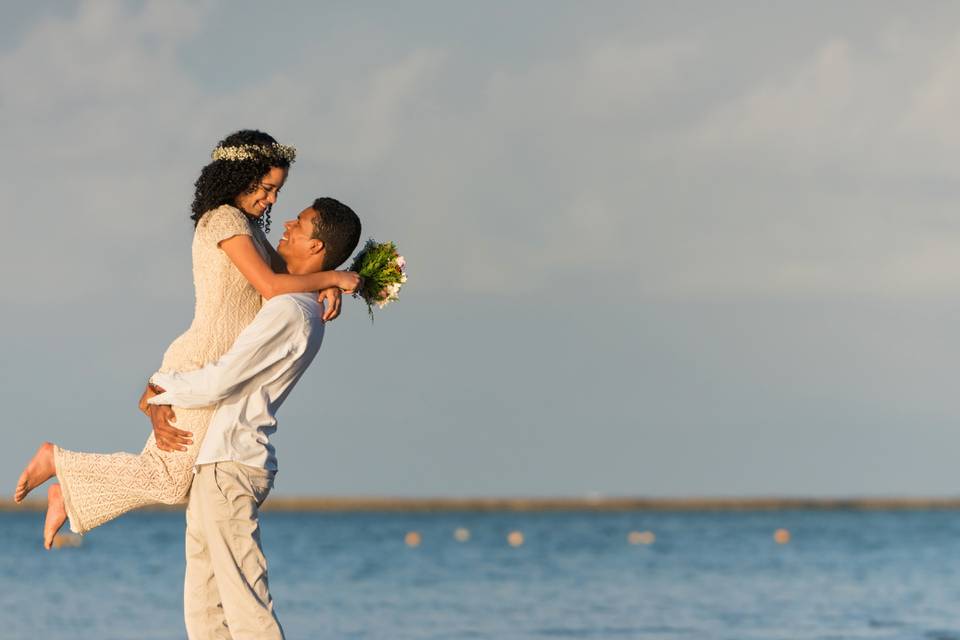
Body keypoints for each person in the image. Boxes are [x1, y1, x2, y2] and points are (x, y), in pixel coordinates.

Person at [13, 131, 359, 547]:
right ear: (241, 175)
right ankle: (59, 464)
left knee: (167, 476)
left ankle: (67, 490)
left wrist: (325, 285)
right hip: (201, 359)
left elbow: (287, 278)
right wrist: (335, 277)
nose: (271, 200)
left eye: (276, 192)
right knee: (168, 479)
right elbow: (269, 285)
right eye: (266, 188)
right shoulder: (224, 220)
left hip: (214, 362)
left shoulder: (246, 225)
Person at [146, 198, 361, 639]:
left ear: (316, 244)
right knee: (205, 607)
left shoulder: (289, 310)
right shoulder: (298, 302)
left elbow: (222, 380)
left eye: (298, 224)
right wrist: (330, 282)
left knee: (246, 606)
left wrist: (159, 386)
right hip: (221, 462)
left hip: (232, 463)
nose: (285, 224)